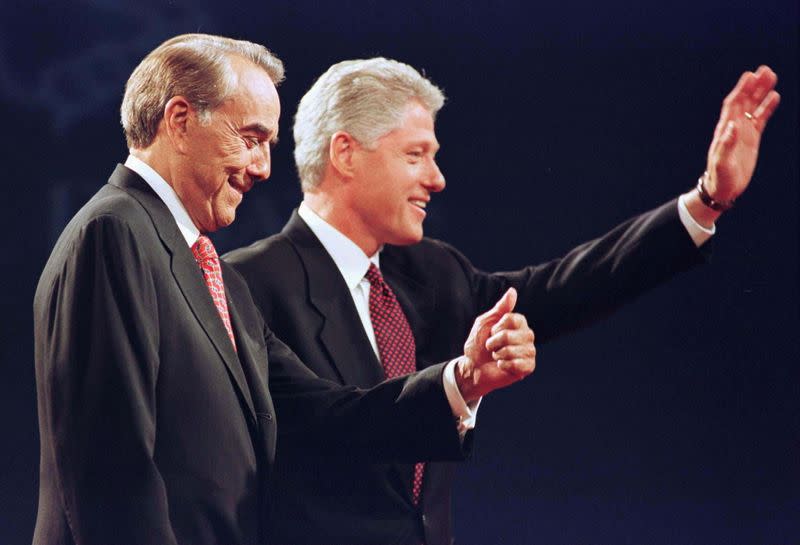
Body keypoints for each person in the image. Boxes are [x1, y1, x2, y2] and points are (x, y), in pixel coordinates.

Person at [224, 58, 780, 545]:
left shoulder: (431, 271)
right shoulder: (248, 284)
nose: (437, 179)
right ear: (344, 153)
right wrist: (461, 382)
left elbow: (564, 288)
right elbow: (329, 426)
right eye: (415, 154)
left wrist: (707, 200)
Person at [32, 36, 537, 545]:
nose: (263, 168)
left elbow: (329, 417)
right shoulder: (115, 232)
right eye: (250, 138)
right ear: (180, 120)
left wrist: (465, 380)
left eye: (269, 146)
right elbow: (112, 474)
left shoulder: (215, 276)